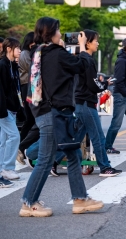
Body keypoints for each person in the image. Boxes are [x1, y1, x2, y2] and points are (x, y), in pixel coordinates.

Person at [20, 17, 103, 217]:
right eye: (58, 30)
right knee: (46, 159)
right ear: (51, 33)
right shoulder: (56, 54)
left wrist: (65, 49)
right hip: (53, 112)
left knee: (73, 154)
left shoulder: (40, 52)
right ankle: (28, 203)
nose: (61, 33)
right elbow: (81, 65)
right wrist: (82, 47)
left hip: (48, 110)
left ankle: (80, 199)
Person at [51, 30, 122, 178]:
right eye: (95, 40)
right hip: (86, 103)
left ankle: (53, 162)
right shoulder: (87, 60)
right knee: (98, 136)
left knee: (76, 137)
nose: (98, 43)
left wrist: (102, 83)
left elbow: (88, 81)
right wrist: (104, 86)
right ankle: (105, 167)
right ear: (87, 43)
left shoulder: (79, 59)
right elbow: (92, 85)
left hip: (80, 102)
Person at [0, 38, 23, 182]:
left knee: (4, 140)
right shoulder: (2, 65)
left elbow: (16, 89)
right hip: (4, 109)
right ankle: (7, 168)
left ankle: (3, 168)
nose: (20, 51)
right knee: (14, 136)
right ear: (9, 49)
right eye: (17, 48)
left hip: (12, 108)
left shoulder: (13, 66)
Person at [17, 32, 35, 165]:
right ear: (31, 42)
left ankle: (21, 147)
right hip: (26, 87)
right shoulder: (24, 54)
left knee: (30, 119)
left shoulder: (27, 53)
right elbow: (33, 70)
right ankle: (21, 147)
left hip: (29, 86)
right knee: (30, 119)